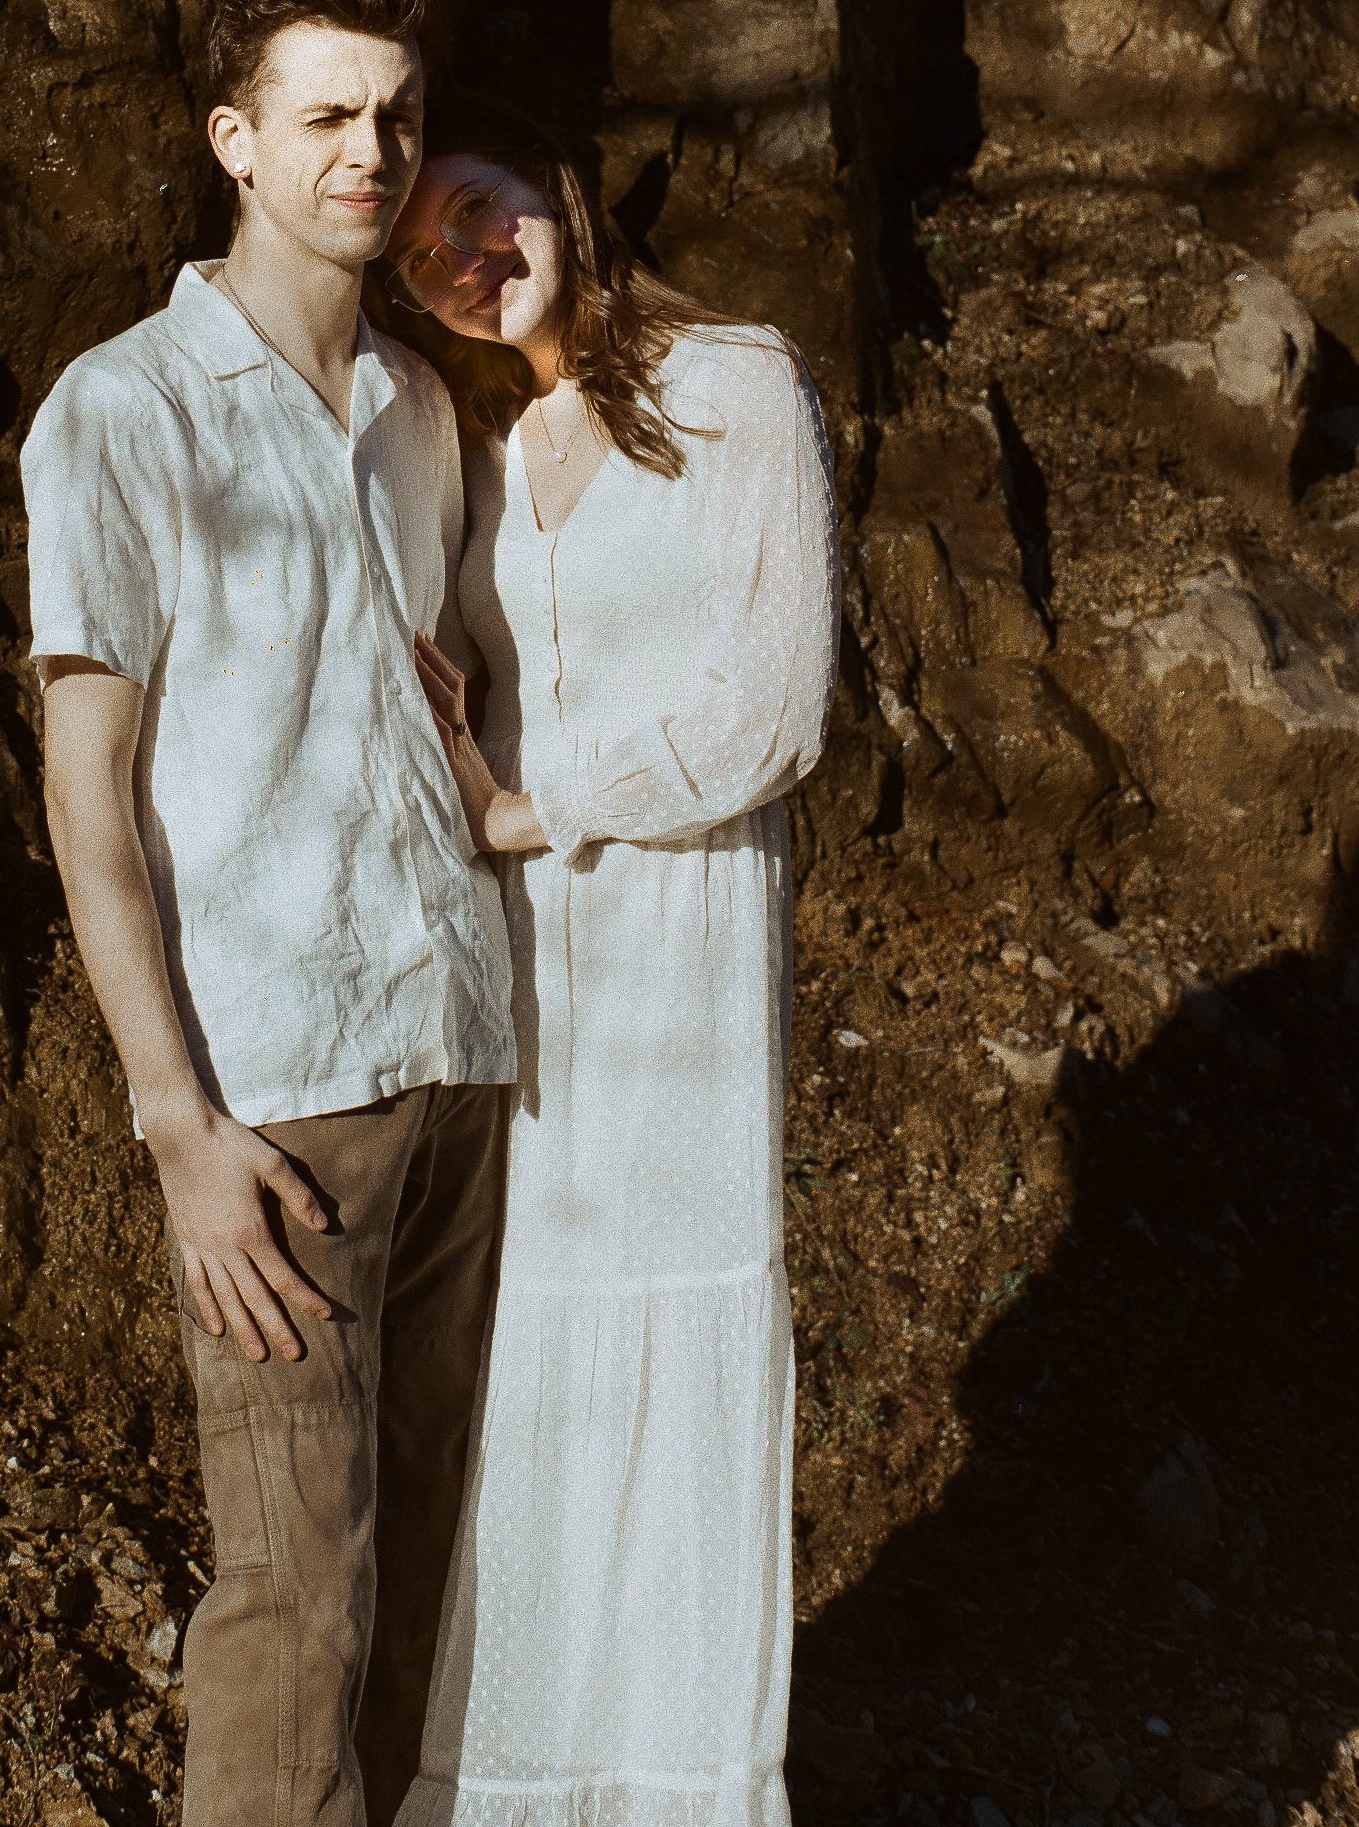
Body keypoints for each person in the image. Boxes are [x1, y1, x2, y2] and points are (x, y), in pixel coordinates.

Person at [20, 0, 516, 1827]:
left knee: (432, 1584)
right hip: (280, 1092)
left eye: (395, 114)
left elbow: (425, 721)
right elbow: (89, 795)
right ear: (234, 140)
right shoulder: (126, 407)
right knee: (296, 1598)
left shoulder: (420, 412)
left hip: (459, 1048)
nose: (368, 154)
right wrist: (178, 1125)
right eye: (322, 117)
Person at [382, 98, 840, 1827]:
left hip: (678, 942)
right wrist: (466, 758)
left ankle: (674, 1789)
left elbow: (773, 712)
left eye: (479, 205)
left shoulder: (734, 379)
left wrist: (534, 808)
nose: (461, 255)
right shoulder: (491, 448)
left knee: (672, 1326)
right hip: (529, 957)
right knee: (534, 1366)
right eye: (422, 251)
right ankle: (517, 1783)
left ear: (557, 193)